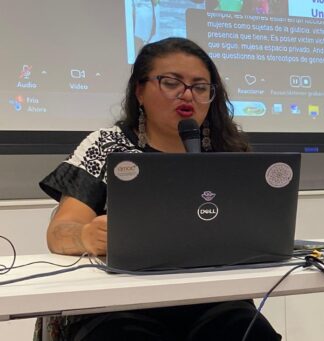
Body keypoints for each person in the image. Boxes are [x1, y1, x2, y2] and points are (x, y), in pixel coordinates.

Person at [36, 37, 276, 340]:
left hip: (212, 298)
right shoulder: (107, 144)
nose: (186, 94)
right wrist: (85, 236)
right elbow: (59, 232)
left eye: (200, 87)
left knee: (249, 332)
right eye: (171, 82)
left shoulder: (226, 151)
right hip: (119, 303)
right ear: (140, 90)